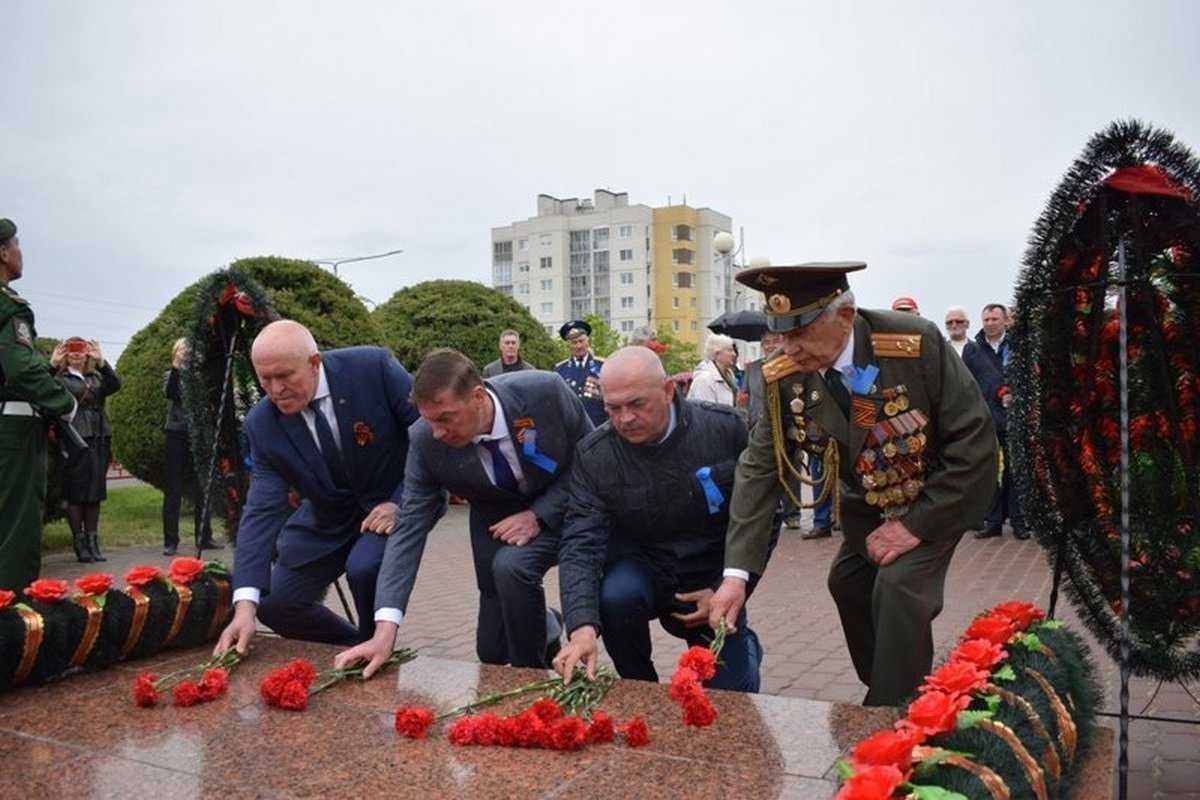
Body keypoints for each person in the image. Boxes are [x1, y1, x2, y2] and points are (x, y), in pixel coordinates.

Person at [710, 261, 996, 706]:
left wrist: (914, 525)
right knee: (847, 583)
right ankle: (894, 685)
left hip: (932, 495)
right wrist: (735, 575)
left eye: (799, 332)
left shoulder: (911, 344)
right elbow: (759, 468)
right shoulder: (784, 376)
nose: (787, 347)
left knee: (899, 587)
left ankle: (893, 711)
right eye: (779, 333)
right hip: (866, 506)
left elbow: (975, 441)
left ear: (844, 316)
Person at [335, 349, 592, 676]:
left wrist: (539, 515)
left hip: (567, 506)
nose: (438, 432)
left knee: (511, 568)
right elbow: (409, 526)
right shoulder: (425, 439)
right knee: (491, 649)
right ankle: (546, 623)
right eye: (429, 420)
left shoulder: (545, 392)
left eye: (445, 418)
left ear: (478, 397)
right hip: (496, 521)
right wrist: (384, 632)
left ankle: (532, 678)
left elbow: (592, 464)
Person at [553, 346, 763, 691]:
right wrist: (581, 629)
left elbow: (761, 517)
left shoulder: (724, 431)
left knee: (733, 694)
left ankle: (746, 647)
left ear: (668, 390)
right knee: (615, 597)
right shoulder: (595, 455)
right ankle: (640, 687)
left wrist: (731, 586)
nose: (625, 419)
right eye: (613, 409)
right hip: (643, 569)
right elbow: (580, 542)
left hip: (711, 572)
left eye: (636, 404)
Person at [214, 320, 419, 654]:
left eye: (284, 376)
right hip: (328, 517)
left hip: (392, 501)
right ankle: (359, 647)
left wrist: (402, 502)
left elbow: (429, 436)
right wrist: (244, 607)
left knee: (364, 566)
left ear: (314, 362)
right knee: (277, 603)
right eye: (265, 379)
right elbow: (261, 509)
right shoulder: (263, 424)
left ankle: (375, 648)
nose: (276, 389)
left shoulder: (373, 369)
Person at [0, 218, 77, 592]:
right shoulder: (9, 307)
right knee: (15, 527)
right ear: (2, 252)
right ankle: (13, 624)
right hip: (13, 431)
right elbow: (19, 367)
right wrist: (62, 401)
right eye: (16, 245)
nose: (19, 253)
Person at [51, 336, 121, 563]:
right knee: (76, 492)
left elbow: (115, 385)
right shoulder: (60, 378)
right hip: (75, 437)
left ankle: (93, 542)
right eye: (71, 350)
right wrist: (52, 364)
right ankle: (79, 542)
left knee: (94, 491)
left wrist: (102, 362)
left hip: (99, 436)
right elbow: (45, 389)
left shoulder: (96, 376)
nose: (77, 354)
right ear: (65, 354)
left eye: (81, 349)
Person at [962, 303, 1026, 539]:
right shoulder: (973, 350)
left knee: (1017, 471)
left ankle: (1019, 521)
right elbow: (966, 384)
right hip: (986, 419)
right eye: (986, 319)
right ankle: (993, 521)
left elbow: (1029, 377)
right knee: (990, 472)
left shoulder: (1017, 347)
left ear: (1005, 321)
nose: (990, 324)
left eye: (994, 319)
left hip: (1014, 418)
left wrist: (1016, 392)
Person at [161, 337, 221, 556]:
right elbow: (171, 393)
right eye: (182, 348)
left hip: (199, 434)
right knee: (173, 488)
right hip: (176, 432)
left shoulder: (202, 376)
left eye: (190, 347)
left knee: (203, 487)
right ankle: (170, 541)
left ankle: (204, 536)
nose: (187, 351)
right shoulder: (170, 374)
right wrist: (177, 367)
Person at [553, 319, 606, 426]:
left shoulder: (602, 366)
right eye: (574, 342)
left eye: (581, 341)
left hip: (598, 425)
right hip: (572, 428)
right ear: (568, 345)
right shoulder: (559, 370)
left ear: (588, 341)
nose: (579, 346)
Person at [686, 332, 738, 406]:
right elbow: (705, 413)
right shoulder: (704, 380)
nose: (734, 354)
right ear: (717, 354)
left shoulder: (729, 376)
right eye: (729, 350)